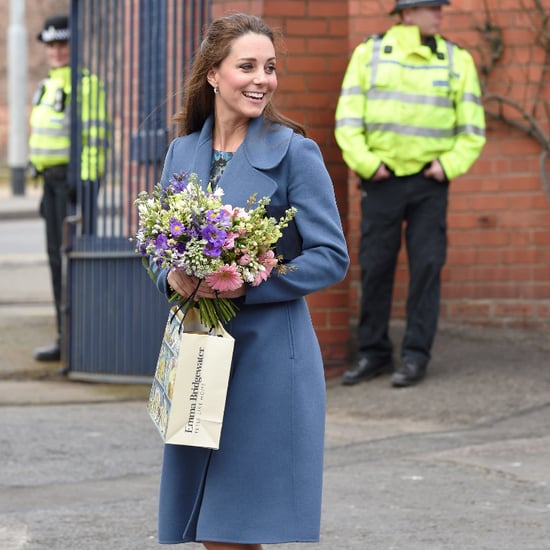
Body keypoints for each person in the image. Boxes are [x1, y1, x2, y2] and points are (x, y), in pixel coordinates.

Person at [149, 13, 349, 548]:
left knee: (238, 523)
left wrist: (249, 280)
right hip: (198, 357)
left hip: (267, 364)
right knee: (214, 527)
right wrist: (172, 273)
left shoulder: (295, 152)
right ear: (214, 74)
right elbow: (156, 242)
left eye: (270, 67)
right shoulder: (182, 153)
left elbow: (332, 256)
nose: (262, 79)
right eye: (247, 66)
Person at [335, 0, 485, 388]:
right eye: (430, 6)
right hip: (381, 180)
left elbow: (472, 129)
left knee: (428, 266)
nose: (440, 12)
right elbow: (348, 120)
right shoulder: (369, 54)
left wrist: (447, 166)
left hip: (429, 183)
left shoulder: (456, 60)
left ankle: (417, 356)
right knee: (376, 264)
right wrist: (369, 165)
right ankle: (373, 354)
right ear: (405, 13)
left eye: (440, 6)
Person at [29, 14, 107, 364]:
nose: (57, 51)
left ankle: (79, 340)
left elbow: (95, 138)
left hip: (72, 184)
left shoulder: (84, 83)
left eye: (63, 44)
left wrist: (86, 183)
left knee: (69, 262)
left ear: (74, 46)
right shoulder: (48, 84)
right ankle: (65, 337)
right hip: (51, 184)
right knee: (54, 261)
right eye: (52, 45)